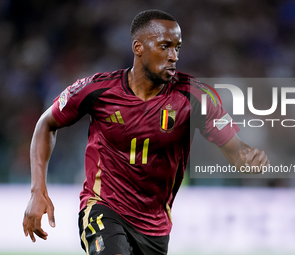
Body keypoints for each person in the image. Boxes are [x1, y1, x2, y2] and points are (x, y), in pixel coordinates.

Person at [23, 9, 269, 255]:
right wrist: (38, 190)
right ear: (138, 47)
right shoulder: (97, 90)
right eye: (164, 46)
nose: (173, 56)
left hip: (155, 227)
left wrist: (251, 159)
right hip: (103, 208)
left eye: (177, 48)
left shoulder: (195, 97)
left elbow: (236, 151)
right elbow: (46, 123)